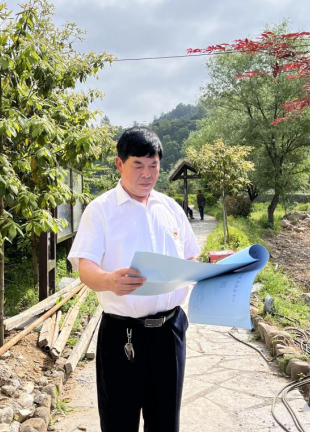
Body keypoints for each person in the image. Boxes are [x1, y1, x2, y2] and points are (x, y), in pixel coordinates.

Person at [68, 127, 200, 432]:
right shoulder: (100, 211)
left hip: (170, 332)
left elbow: (191, 256)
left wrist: (201, 272)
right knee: (119, 422)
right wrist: (109, 280)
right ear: (119, 164)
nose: (147, 174)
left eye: (153, 165)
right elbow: (85, 268)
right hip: (123, 334)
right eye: (138, 165)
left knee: (166, 421)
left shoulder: (170, 208)